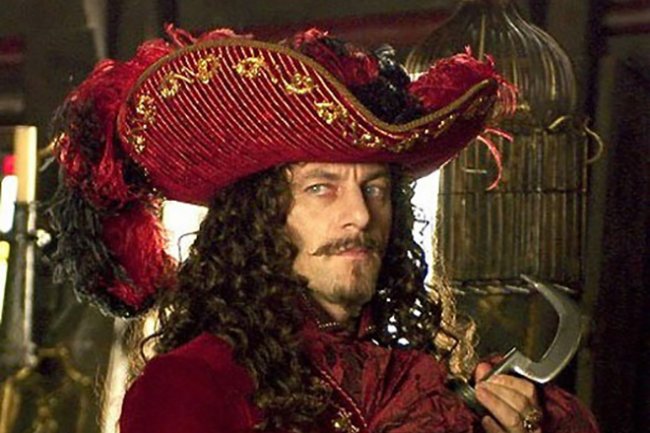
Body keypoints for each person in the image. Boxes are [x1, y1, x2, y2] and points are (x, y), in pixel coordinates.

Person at [48, 25, 599, 433]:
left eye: (375, 188)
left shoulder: (411, 381)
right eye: (321, 187)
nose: (360, 215)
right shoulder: (190, 384)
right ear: (258, 214)